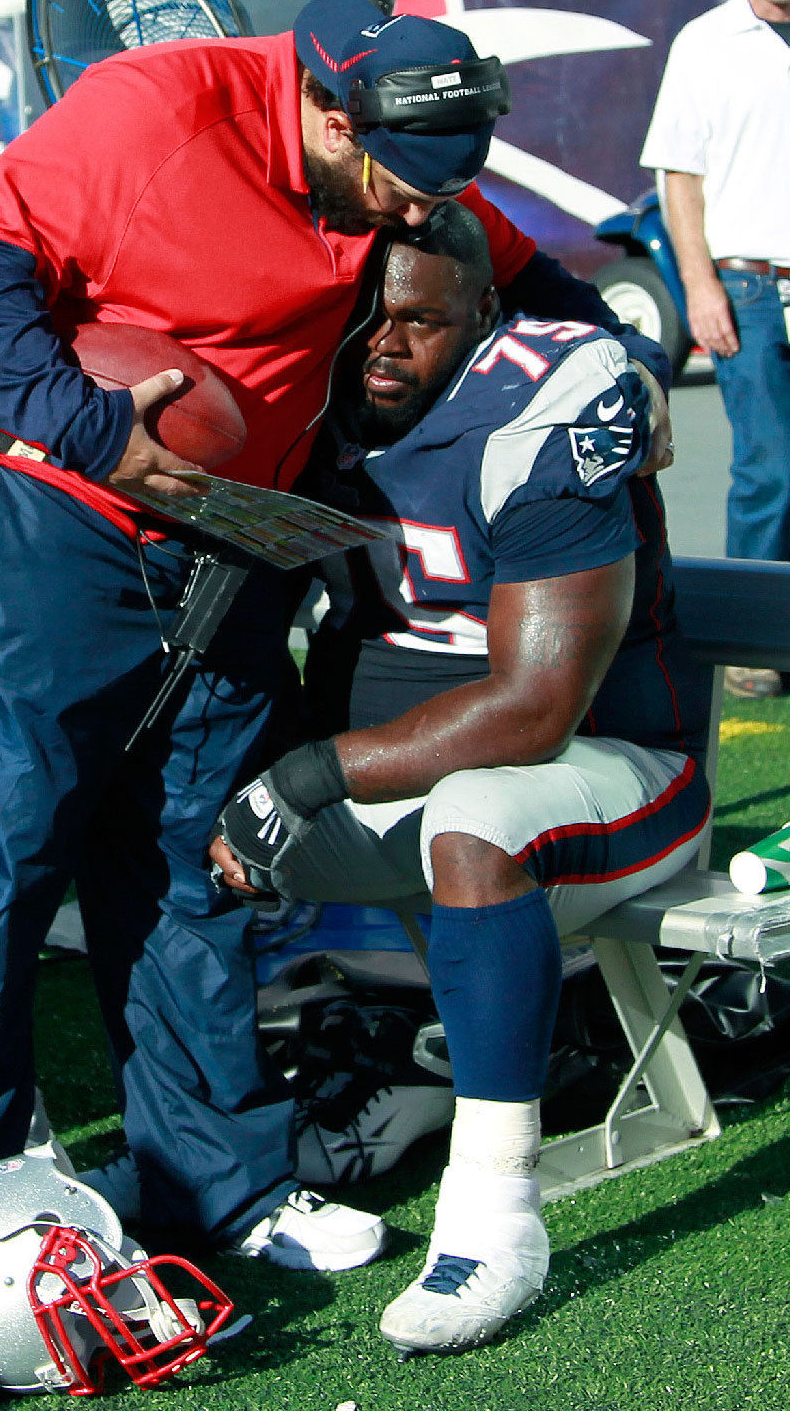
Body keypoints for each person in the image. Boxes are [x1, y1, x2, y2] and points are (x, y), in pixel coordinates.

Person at [0, 0, 671, 1327]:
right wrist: (85, 427)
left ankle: (216, 1180)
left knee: (196, 860)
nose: (418, 213)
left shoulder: (409, 170)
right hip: (31, 516)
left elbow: (523, 273)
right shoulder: (157, 110)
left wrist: (626, 365)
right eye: (399, 186)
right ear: (330, 109)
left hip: (227, 538)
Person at [211, 201, 712, 1357]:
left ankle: (491, 1212)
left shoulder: (543, 405)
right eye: (365, 317)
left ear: (485, 317)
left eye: (420, 322)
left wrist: (302, 774)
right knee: (173, 812)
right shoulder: (311, 385)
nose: (383, 343)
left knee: (476, 819)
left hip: (616, 771)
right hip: (398, 786)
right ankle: (201, 1146)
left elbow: (536, 709)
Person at [640, 0, 790, 698]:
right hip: (750, 286)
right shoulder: (704, 44)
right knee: (771, 469)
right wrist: (700, 286)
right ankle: (754, 643)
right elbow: (680, 178)